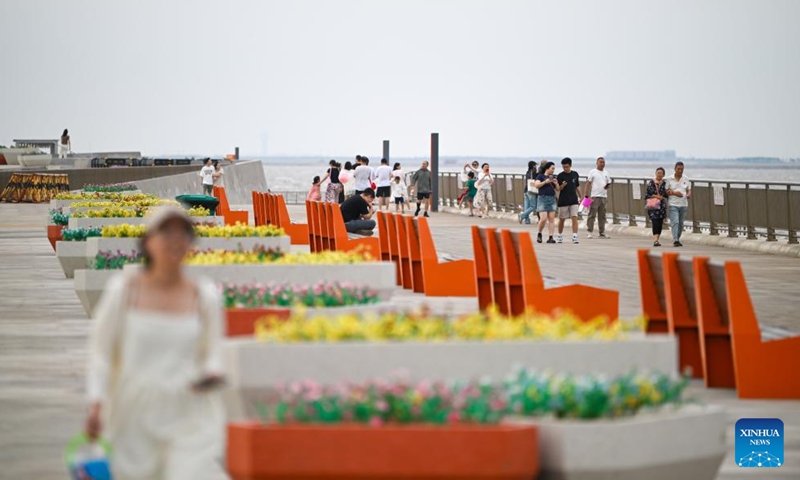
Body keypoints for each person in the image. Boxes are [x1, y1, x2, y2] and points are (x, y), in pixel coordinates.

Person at [85, 206, 227, 479]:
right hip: (133, 413)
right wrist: (97, 401)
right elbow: (100, 352)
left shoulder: (204, 295)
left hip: (189, 411)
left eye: (183, 233)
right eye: (166, 232)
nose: (176, 239)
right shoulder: (124, 290)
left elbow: (212, 350)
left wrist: (211, 372)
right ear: (148, 241)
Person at [583, 157, 611, 239]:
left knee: (602, 215)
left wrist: (607, 186)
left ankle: (602, 232)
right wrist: (586, 195)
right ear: (597, 163)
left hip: (604, 196)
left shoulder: (606, 173)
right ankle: (589, 231)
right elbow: (588, 183)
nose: (602, 164)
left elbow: (608, 183)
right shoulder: (593, 172)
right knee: (592, 214)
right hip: (594, 196)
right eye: (601, 162)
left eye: (603, 162)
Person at [556, 157, 581, 244]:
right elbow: (558, 189)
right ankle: (559, 235)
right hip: (563, 200)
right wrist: (562, 185)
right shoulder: (560, 176)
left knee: (575, 217)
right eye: (563, 167)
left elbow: (577, 186)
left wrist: (581, 196)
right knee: (562, 219)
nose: (565, 168)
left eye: (566, 166)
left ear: (570, 165)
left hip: (573, 199)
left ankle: (575, 236)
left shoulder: (575, 174)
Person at [666, 161, 691, 247]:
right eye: (678, 169)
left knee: (681, 223)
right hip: (673, 203)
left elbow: (688, 189)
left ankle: (678, 238)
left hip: (683, 204)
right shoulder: (669, 179)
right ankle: (675, 239)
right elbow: (666, 191)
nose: (680, 171)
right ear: (675, 169)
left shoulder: (686, 178)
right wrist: (674, 193)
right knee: (675, 221)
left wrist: (688, 194)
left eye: (682, 169)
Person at [535, 162, 560, 243]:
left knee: (552, 219)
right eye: (552, 168)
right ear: (547, 168)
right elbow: (537, 185)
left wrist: (556, 184)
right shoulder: (540, 176)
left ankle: (551, 237)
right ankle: (539, 233)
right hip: (542, 198)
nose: (553, 170)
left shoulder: (553, 177)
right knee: (543, 218)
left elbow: (558, 189)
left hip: (552, 198)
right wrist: (545, 182)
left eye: (554, 168)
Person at [646, 167, 668, 247]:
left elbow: (666, 194)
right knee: (655, 222)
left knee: (660, 223)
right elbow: (648, 194)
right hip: (653, 206)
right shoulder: (651, 183)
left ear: (663, 175)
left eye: (661, 173)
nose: (659, 174)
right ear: (655, 174)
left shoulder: (665, 184)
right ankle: (655, 240)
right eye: (658, 173)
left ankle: (657, 239)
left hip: (661, 206)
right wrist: (657, 196)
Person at [518, 160, 539, 224]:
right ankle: (522, 215)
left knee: (527, 206)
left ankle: (527, 220)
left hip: (526, 190)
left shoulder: (528, 172)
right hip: (531, 191)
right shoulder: (534, 171)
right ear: (533, 166)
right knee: (533, 206)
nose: (536, 166)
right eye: (535, 165)